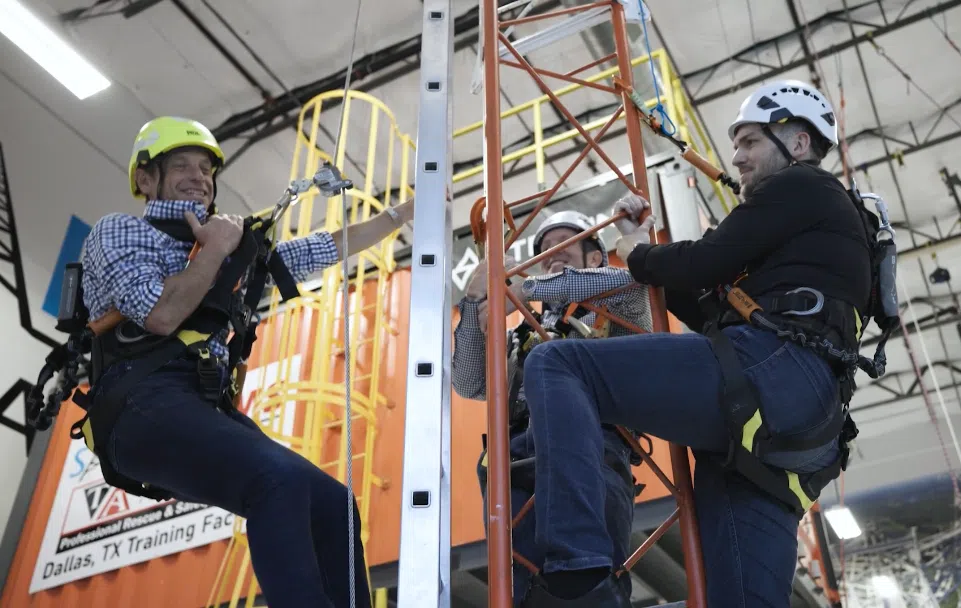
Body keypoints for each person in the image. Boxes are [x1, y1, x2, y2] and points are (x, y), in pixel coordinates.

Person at [517, 80, 885, 607]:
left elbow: (702, 262)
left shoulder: (804, 185)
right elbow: (705, 304)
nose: (736, 158)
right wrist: (645, 252)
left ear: (799, 143)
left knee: (559, 365)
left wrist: (635, 250)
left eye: (750, 141)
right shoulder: (803, 241)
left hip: (773, 371)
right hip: (795, 429)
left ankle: (578, 568)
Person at [80, 116, 413, 608]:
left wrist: (403, 214)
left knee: (332, 503)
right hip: (139, 401)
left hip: (199, 402)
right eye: (181, 166)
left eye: (205, 169)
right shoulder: (121, 231)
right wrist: (216, 247)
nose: (199, 177)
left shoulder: (234, 251)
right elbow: (161, 314)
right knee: (276, 479)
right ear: (145, 179)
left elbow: (321, 249)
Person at [451, 210, 653, 606]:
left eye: (564, 244)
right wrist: (475, 304)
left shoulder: (615, 311)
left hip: (593, 448)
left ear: (594, 257)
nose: (551, 254)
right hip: (515, 461)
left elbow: (628, 284)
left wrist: (523, 288)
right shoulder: (520, 334)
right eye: (544, 249)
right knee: (522, 591)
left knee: (588, 582)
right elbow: (470, 382)